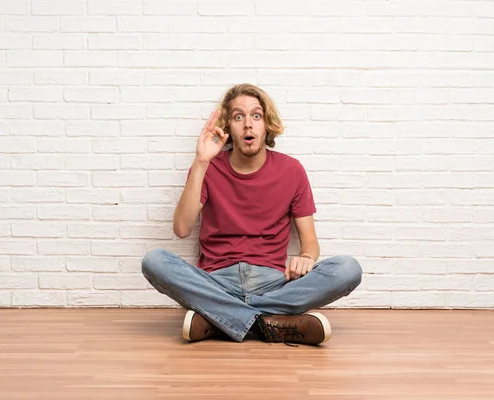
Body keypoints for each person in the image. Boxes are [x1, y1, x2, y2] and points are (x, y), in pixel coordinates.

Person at [141, 83, 362, 346]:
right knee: (154, 261)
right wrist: (200, 162)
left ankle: (219, 319)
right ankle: (269, 323)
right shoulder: (208, 168)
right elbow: (181, 228)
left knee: (349, 269)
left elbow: (310, 242)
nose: (248, 124)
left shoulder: (292, 170)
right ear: (228, 127)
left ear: (266, 124)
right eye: (238, 116)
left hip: (274, 283)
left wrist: (306, 257)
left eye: (256, 116)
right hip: (216, 281)